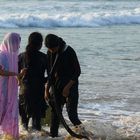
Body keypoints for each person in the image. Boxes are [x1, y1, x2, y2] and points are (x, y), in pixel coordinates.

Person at [44, 34, 82, 137]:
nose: (51, 50)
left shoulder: (68, 51)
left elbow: (77, 72)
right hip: (56, 86)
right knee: (55, 113)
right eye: (49, 49)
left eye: (53, 48)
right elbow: (50, 73)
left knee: (72, 115)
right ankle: (53, 136)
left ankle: (84, 134)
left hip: (71, 85)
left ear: (58, 44)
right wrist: (46, 90)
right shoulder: (50, 52)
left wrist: (67, 87)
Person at [18, 32, 48, 131]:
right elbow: (51, 76)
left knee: (24, 124)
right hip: (38, 91)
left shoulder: (21, 56)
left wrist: (20, 80)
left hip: (24, 91)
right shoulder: (44, 57)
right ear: (40, 44)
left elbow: (16, 75)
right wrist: (45, 81)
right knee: (36, 124)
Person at [0, 33, 22, 140]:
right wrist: (15, 74)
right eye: (17, 43)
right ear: (11, 43)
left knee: (5, 112)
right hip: (1, 90)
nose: (18, 46)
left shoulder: (12, 57)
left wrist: (19, 76)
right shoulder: (2, 55)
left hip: (6, 90)